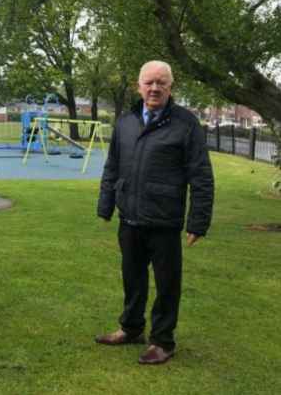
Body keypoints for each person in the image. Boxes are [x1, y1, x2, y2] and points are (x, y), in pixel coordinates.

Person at [96, 60, 214, 365]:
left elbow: (201, 176)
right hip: (130, 218)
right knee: (132, 278)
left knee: (166, 285)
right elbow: (112, 167)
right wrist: (106, 204)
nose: (154, 87)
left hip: (164, 221)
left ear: (171, 87)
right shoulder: (125, 122)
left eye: (161, 82)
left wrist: (198, 222)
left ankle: (162, 341)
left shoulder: (186, 124)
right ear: (139, 86)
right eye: (149, 82)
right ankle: (131, 328)